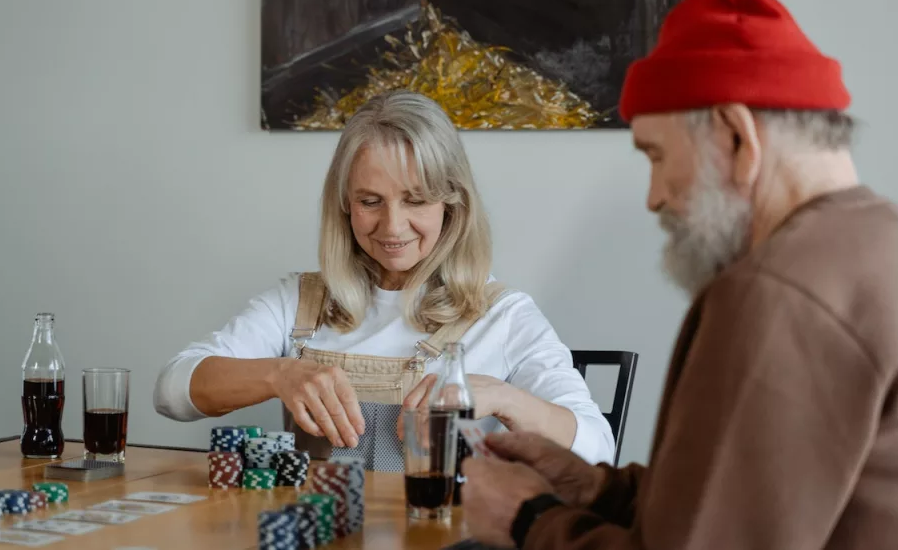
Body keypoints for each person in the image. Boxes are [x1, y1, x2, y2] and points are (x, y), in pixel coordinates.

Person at [462, 0, 898, 549]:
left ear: (737, 137)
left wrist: (526, 518)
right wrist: (595, 489)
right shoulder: (892, 247)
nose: (654, 196)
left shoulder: (778, 293)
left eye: (656, 156)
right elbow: (747, 505)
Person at [153, 90, 614, 469]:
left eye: (415, 200)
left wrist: (504, 397)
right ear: (345, 205)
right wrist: (280, 374)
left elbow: (598, 449)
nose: (392, 228)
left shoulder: (503, 316)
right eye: (370, 201)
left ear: (451, 204)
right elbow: (173, 391)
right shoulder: (300, 302)